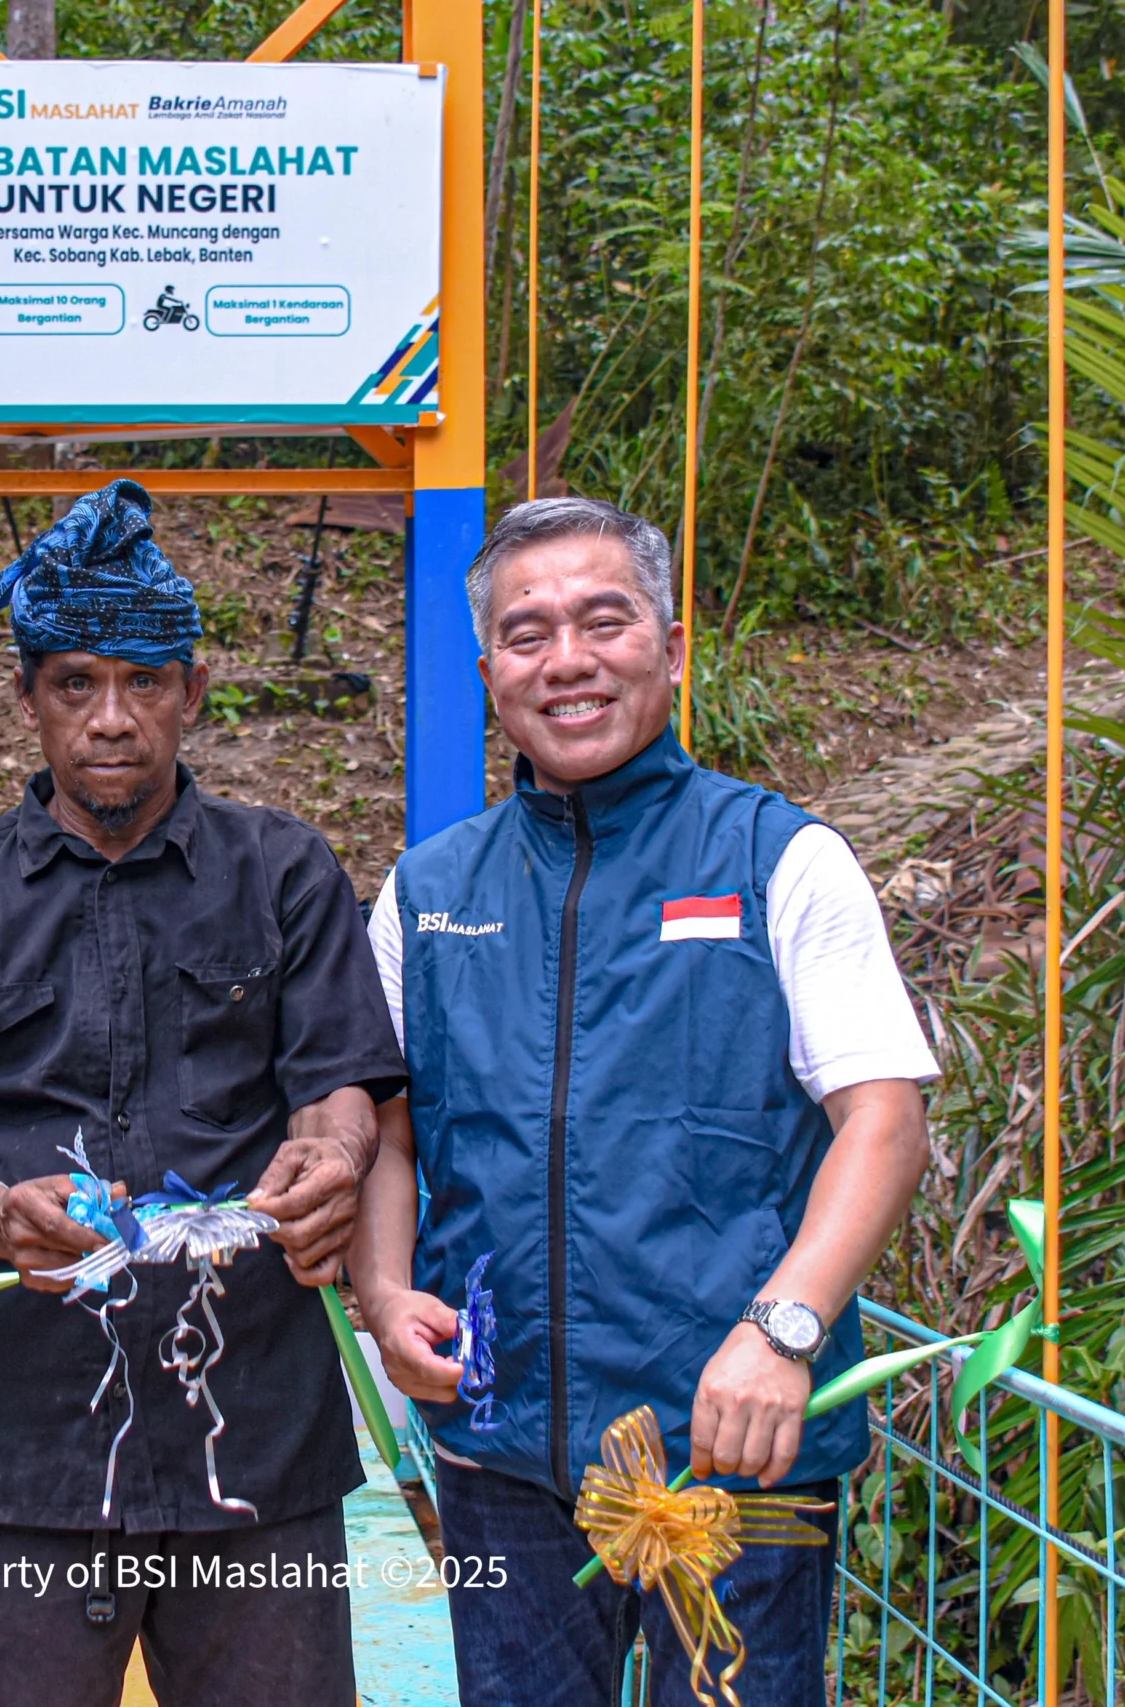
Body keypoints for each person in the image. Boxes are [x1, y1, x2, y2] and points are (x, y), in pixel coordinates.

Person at [349, 497, 935, 1707]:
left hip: (733, 1454)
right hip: (498, 1456)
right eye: (528, 632)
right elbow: (388, 1132)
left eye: (602, 620)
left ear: (670, 646)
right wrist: (381, 1288)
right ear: (488, 672)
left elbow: (882, 1118)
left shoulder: (780, 857)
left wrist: (784, 1335)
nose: (566, 659)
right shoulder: (428, 890)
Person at [0, 480, 405, 1707]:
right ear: (28, 699)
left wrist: (333, 1162)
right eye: (75, 685)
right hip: (25, 1442)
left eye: (144, 683)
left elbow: (335, 1084)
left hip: (254, 1433)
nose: (112, 720)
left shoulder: (286, 871)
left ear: (192, 694)